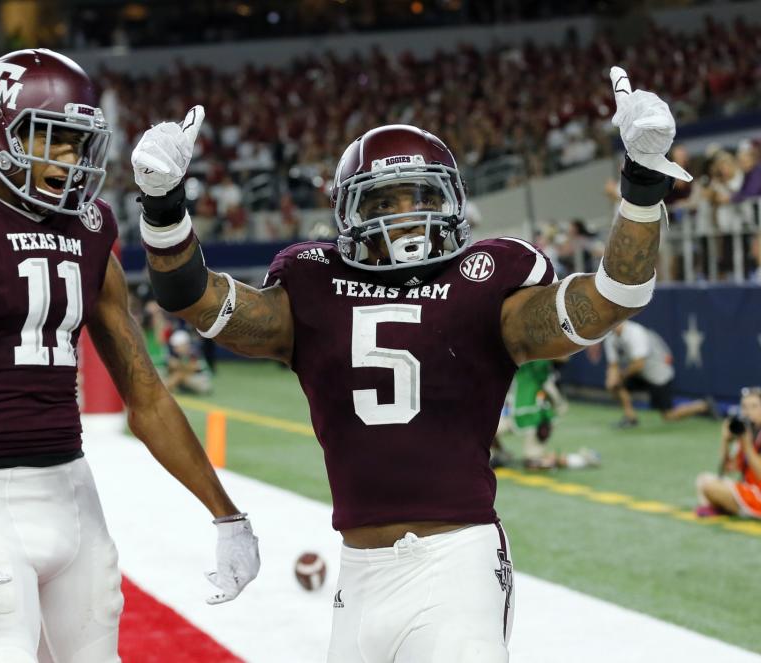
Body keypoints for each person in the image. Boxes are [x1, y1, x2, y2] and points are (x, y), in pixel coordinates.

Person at [131, 68, 686, 661]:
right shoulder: (312, 284)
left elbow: (611, 298)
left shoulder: (486, 280)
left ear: (450, 201)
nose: (405, 214)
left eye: (421, 197)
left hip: (455, 566)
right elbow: (192, 296)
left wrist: (641, 183)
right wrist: (164, 207)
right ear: (350, 210)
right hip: (358, 573)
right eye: (385, 200)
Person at [0, 49, 258, 663]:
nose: (69, 160)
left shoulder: (88, 229)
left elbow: (146, 393)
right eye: (50, 139)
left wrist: (226, 515)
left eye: (79, 144)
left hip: (74, 493)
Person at [603, 319, 715, 428]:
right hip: (641, 374)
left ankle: (704, 405)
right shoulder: (610, 336)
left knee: (669, 416)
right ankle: (631, 418)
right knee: (616, 386)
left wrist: (620, 376)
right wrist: (611, 379)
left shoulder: (635, 332)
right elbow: (613, 364)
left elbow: (639, 364)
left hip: (659, 375)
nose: (613, 324)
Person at [695, 387, 761, 518]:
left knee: (711, 488)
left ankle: (722, 506)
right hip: (750, 489)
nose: (748, 412)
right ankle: (727, 506)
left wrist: (747, 447)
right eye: (745, 407)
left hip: (757, 493)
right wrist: (725, 441)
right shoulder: (746, 432)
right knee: (703, 479)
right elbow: (727, 470)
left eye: (754, 406)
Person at [164, 328, 213, 395]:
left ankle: (165, 389)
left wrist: (178, 365)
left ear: (185, 344)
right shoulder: (177, 354)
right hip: (187, 379)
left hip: (201, 381)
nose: (174, 349)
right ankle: (167, 388)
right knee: (176, 375)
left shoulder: (194, 352)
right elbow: (170, 368)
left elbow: (193, 368)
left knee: (179, 375)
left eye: (177, 346)